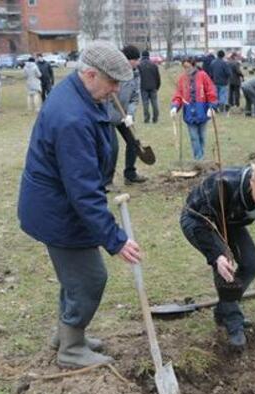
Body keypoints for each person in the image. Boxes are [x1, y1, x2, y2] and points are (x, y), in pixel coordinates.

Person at [17, 41, 142, 369]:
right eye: (112, 83)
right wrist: (115, 239)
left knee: (75, 278)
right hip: (58, 210)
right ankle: (71, 349)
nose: (116, 90)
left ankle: (67, 335)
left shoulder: (81, 94)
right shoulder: (71, 117)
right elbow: (83, 192)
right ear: (89, 74)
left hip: (58, 205)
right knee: (89, 278)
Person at [180, 152, 255, 349]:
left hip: (231, 222)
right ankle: (233, 322)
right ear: (253, 180)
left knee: (252, 264)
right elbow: (202, 224)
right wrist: (217, 255)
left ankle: (223, 308)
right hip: (199, 222)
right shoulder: (223, 185)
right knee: (225, 267)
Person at [105, 45, 146, 188]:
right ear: (126, 60)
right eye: (134, 59)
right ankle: (107, 181)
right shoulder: (112, 73)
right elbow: (105, 100)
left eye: (137, 59)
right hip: (108, 116)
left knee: (134, 142)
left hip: (125, 115)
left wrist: (129, 114)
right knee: (112, 148)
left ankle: (130, 174)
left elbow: (135, 97)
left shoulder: (136, 74)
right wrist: (118, 116)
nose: (137, 62)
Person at [170, 56, 218, 160]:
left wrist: (212, 107)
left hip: (203, 112)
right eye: (184, 67)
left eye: (187, 67)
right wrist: (175, 106)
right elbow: (179, 94)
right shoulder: (182, 79)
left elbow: (210, 91)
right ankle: (198, 158)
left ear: (193, 65)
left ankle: (201, 154)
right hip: (189, 113)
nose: (186, 69)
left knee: (202, 137)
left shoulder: (203, 75)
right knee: (194, 137)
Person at [138, 50, 161, 123]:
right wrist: (157, 86)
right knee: (154, 103)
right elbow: (158, 77)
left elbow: (138, 77)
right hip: (153, 87)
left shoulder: (139, 65)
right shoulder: (154, 65)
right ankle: (155, 118)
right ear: (148, 56)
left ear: (142, 56)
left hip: (143, 87)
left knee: (145, 103)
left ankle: (146, 118)